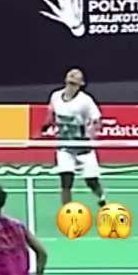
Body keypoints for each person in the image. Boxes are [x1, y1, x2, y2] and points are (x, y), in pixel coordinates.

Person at [40, 68, 107, 207]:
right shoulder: (56, 96)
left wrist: (94, 129)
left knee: (91, 181)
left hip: (84, 147)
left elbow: (96, 118)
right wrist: (44, 128)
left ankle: (101, 197)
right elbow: (51, 115)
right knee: (66, 181)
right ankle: (66, 211)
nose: (71, 80)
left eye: (74, 80)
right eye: (70, 78)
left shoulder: (86, 101)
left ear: (80, 84)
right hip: (64, 146)